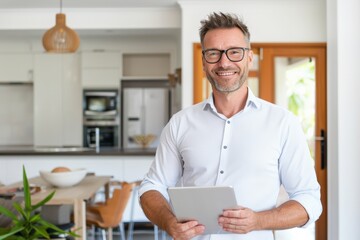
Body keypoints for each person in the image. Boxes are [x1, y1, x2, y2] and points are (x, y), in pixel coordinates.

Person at [138, 12, 322, 240]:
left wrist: (258, 220)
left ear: (249, 58)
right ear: (204, 62)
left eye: (234, 52)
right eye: (213, 53)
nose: (224, 62)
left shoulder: (282, 123)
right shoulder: (180, 123)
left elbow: (309, 200)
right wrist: (168, 222)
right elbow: (150, 188)